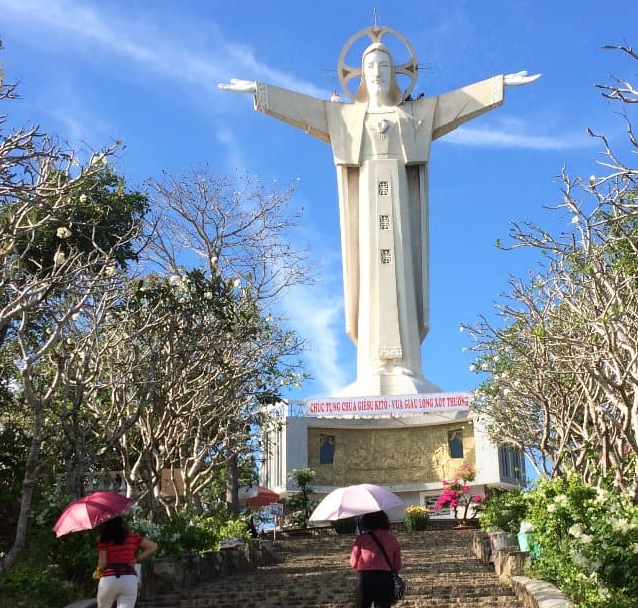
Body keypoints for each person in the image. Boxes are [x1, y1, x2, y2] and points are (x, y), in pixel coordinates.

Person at [219, 28, 538, 397]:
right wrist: (261, 91)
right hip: (368, 207)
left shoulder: (415, 114)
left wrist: (498, 85)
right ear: (359, 72)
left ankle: (406, 367)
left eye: (384, 64)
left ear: (396, 71)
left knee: (401, 273)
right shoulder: (346, 118)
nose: (376, 71)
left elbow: (459, 102)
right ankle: (373, 366)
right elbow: (302, 107)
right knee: (371, 275)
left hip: (400, 203)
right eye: (370, 64)